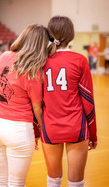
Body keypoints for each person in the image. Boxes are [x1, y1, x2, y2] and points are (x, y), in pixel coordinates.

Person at [0, 24, 49, 187]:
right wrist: (43, 129)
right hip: (18, 129)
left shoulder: (4, 56)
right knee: (16, 184)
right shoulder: (33, 70)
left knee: (0, 181)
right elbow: (37, 108)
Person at [41, 16, 97, 187]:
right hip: (76, 128)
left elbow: (35, 100)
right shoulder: (80, 60)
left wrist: (36, 132)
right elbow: (88, 101)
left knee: (53, 181)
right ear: (71, 35)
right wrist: (93, 134)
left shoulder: (40, 60)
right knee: (76, 183)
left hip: (50, 128)